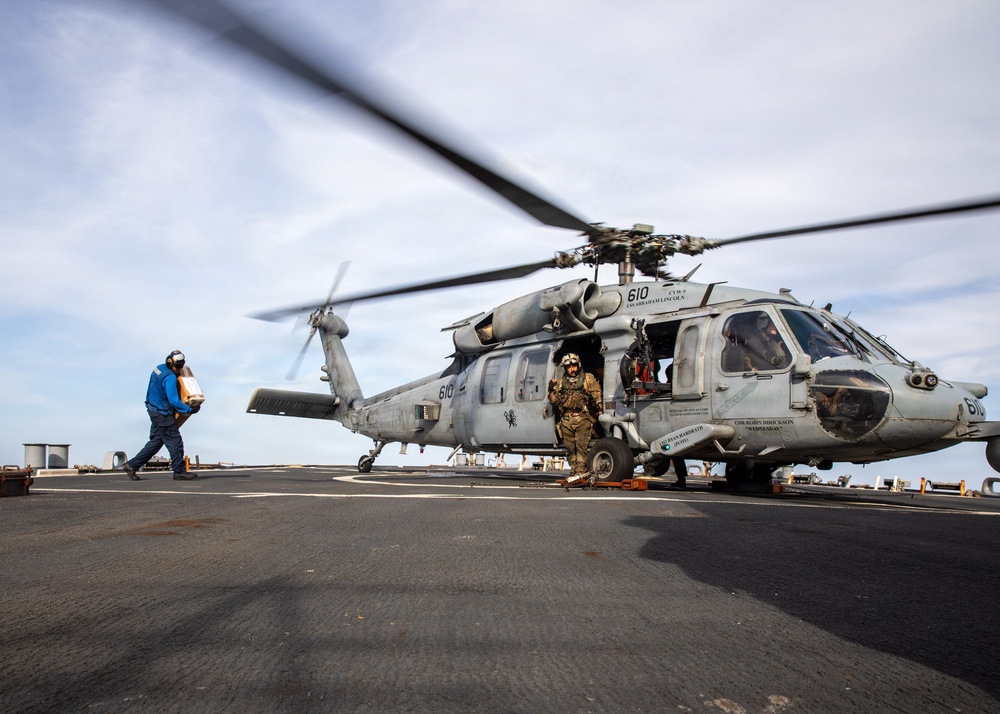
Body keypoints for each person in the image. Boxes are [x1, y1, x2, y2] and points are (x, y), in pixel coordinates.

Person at [123, 350, 200, 481]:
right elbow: (174, 401)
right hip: (163, 414)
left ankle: (131, 465)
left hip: (152, 409)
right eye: (177, 367)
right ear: (170, 363)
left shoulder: (158, 369)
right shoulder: (170, 378)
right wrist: (190, 409)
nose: (178, 370)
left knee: (156, 441)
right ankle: (179, 472)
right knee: (175, 442)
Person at [548, 353, 602, 484]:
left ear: (578, 365)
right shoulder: (561, 383)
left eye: (573, 366)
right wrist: (550, 389)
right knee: (570, 448)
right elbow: (553, 400)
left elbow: (596, 393)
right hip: (566, 420)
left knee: (581, 448)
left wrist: (600, 409)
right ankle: (574, 472)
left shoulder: (587, 379)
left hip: (582, 418)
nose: (572, 369)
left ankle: (580, 473)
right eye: (568, 367)